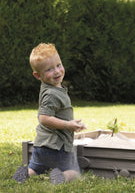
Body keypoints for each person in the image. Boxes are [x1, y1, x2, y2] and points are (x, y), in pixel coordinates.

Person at [12, 43, 86, 184]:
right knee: (75, 172)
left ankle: (26, 173)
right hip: (57, 146)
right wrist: (68, 125)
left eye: (58, 65)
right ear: (37, 75)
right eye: (49, 69)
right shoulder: (51, 94)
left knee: (36, 168)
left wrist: (70, 122)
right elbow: (44, 118)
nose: (57, 71)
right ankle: (61, 176)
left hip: (41, 146)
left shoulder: (50, 88)